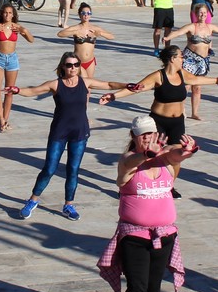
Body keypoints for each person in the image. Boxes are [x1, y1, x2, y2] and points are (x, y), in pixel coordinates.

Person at [96, 119, 198, 292]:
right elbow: (130, 163)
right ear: (133, 136)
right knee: (137, 287)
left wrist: (188, 150)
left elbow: (176, 154)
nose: (148, 138)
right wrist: (145, 155)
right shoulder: (127, 160)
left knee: (153, 287)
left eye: (151, 133)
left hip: (165, 234)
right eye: (143, 135)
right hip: (135, 236)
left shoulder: (166, 159)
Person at [8, 51, 132, 221]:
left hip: (79, 132)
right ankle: (32, 200)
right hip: (59, 132)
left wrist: (127, 85)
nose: (73, 68)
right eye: (69, 65)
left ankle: (68, 205)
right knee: (49, 169)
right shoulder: (55, 84)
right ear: (63, 67)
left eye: (76, 65)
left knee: (73, 170)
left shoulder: (85, 82)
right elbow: (33, 91)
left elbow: (109, 85)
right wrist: (17, 90)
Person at [100, 45, 218, 147]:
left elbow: (196, 79)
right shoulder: (158, 76)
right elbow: (136, 89)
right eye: (181, 56)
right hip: (159, 121)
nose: (183, 59)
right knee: (157, 153)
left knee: (176, 155)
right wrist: (113, 96)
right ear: (173, 59)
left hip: (178, 122)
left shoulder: (182, 73)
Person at [162, 4, 218, 121]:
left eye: (204, 13)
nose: (203, 15)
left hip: (202, 61)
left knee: (197, 88)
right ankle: (181, 110)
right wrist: (167, 38)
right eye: (200, 12)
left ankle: (195, 113)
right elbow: (178, 32)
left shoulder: (210, 27)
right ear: (196, 14)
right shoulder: (191, 27)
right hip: (190, 60)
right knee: (186, 86)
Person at [0, 4, 34, 132]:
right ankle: (1, 119)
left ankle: (5, 121)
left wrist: (24, 30)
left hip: (12, 59)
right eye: (5, 12)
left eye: (10, 13)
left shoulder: (16, 27)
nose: (7, 15)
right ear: (2, 14)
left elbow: (31, 40)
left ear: (13, 15)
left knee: (9, 91)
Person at [57, 2, 115, 78]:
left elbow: (112, 36)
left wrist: (100, 33)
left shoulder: (95, 28)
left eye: (88, 13)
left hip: (90, 61)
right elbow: (60, 34)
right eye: (83, 13)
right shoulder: (76, 28)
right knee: (82, 81)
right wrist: (75, 32)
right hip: (78, 62)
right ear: (79, 15)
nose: (86, 15)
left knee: (89, 83)